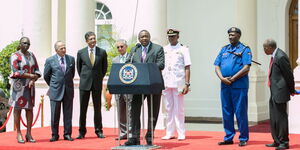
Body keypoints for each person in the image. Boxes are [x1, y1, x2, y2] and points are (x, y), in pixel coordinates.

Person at [124, 30, 165, 146]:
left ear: (149, 37)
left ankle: (150, 135)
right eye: (142, 37)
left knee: (153, 111)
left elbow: (161, 64)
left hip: (154, 84)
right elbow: (128, 63)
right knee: (135, 110)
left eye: (146, 36)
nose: (144, 38)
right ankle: (135, 137)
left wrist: (143, 68)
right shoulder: (134, 50)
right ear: (139, 38)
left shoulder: (158, 49)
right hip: (138, 85)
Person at [214, 27, 251, 147]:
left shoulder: (245, 49)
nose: (230, 37)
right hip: (225, 85)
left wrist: (233, 78)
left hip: (239, 85)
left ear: (239, 36)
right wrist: (222, 78)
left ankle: (243, 138)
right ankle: (228, 137)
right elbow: (217, 66)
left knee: (240, 112)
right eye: (229, 35)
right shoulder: (224, 49)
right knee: (227, 112)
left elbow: (246, 68)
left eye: (233, 35)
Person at [263, 39, 295, 150]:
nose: (264, 50)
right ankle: (276, 140)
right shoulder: (274, 56)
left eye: (264, 48)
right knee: (274, 118)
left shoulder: (281, 56)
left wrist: (291, 90)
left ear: (269, 47)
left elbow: (288, 75)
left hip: (280, 92)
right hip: (274, 91)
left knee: (281, 118)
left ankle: (284, 142)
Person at [9, 37, 41, 143]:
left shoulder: (31, 55)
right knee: (17, 109)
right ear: (20, 43)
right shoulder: (15, 56)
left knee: (29, 109)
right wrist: (30, 75)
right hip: (18, 87)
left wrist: (34, 78)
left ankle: (28, 133)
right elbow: (16, 72)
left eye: (28, 44)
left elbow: (37, 70)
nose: (27, 45)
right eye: (25, 43)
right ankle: (18, 133)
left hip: (30, 87)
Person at [76, 31, 108, 139]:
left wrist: (98, 78)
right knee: (83, 109)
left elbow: (104, 68)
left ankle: (98, 130)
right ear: (86, 41)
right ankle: (81, 131)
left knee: (97, 108)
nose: (93, 41)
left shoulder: (102, 52)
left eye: (94, 38)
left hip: (97, 84)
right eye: (91, 39)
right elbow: (79, 68)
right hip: (84, 84)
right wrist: (85, 78)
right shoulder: (81, 53)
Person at [161, 29, 191, 141]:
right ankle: (169, 132)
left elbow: (187, 67)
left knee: (179, 109)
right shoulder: (164, 49)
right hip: (166, 82)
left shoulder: (183, 49)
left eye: (173, 36)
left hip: (178, 82)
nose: (171, 38)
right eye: (169, 36)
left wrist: (187, 84)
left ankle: (181, 132)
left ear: (178, 36)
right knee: (168, 108)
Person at [44, 41, 75, 142]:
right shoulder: (50, 60)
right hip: (55, 91)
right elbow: (46, 75)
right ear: (56, 50)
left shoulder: (71, 59)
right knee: (54, 115)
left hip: (68, 91)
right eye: (61, 48)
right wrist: (53, 85)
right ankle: (54, 134)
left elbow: (72, 74)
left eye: (64, 48)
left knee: (68, 114)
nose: (64, 50)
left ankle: (67, 134)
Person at [112, 39, 133, 140]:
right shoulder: (115, 60)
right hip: (118, 89)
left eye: (122, 46)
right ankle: (123, 132)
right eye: (118, 47)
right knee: (121, 111)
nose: (120, 48)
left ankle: (131, 132)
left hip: (129, 89)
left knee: (130, 111)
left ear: (126, 47)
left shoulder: (132, 58)